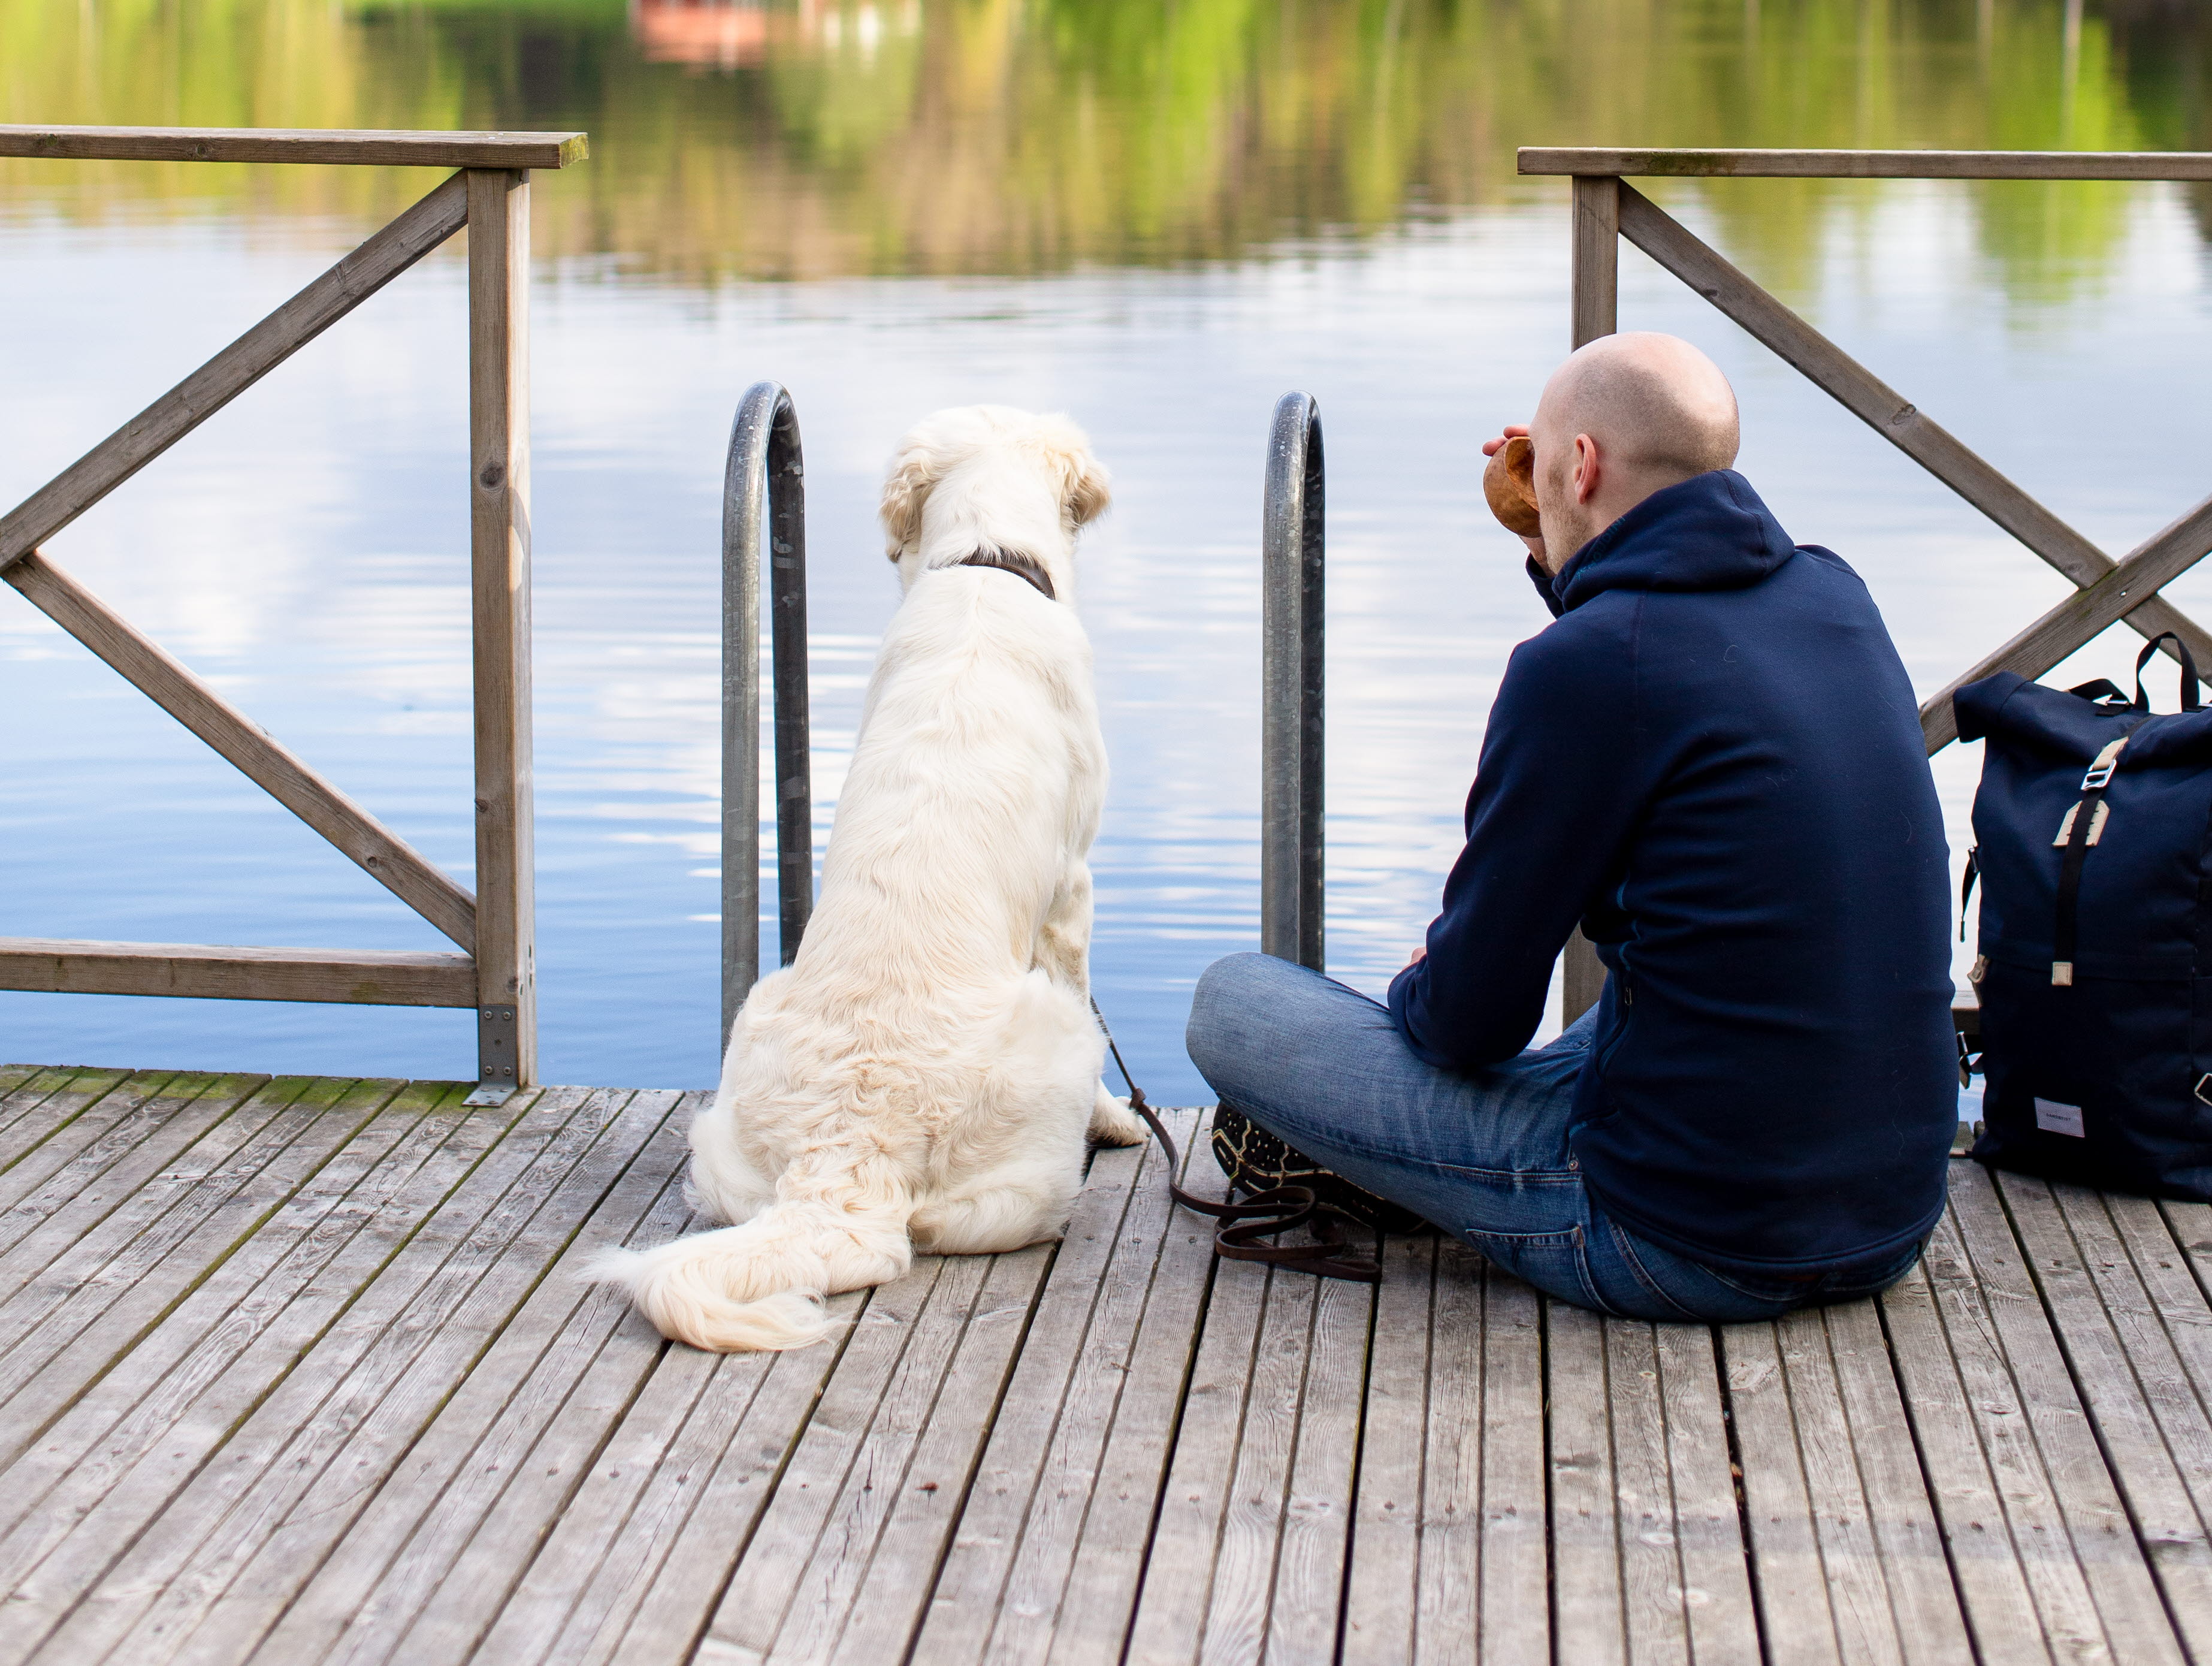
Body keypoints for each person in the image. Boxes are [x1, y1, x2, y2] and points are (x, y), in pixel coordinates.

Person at [1184, 331, 1956, 1322]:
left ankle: (1464, 1171)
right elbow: (1644, 646)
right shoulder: (1834, 595)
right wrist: (1563, 531)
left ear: (1581, 466)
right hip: (1887, 1218)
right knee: (1711, 968)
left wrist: (1420, 992)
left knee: (1233, 1002)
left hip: (1682, 1240)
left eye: (1551, 463)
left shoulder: (1581, 669)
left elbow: (1471, 1026)